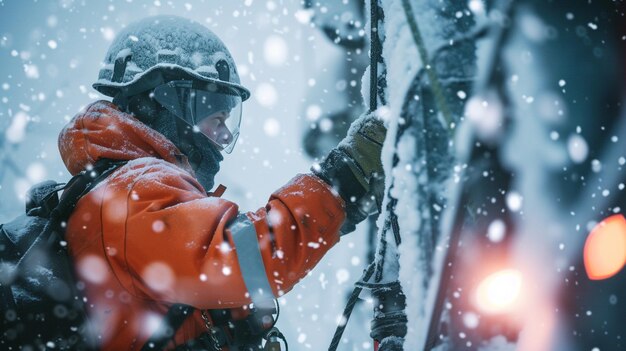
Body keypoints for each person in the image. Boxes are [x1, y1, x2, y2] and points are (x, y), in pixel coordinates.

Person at [59, 15, 385, 350]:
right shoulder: (133, 190)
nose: (225, 135)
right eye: (217, 119)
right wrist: (339, 185)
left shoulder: (122, 193)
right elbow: (246, 260)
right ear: (169, 108)